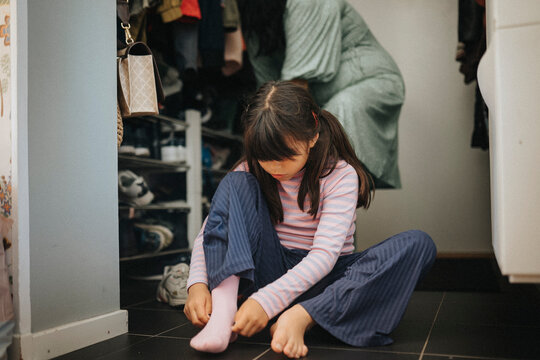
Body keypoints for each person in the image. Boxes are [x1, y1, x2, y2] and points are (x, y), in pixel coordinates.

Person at [184, 81, 436, 358]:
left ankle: (301, 317)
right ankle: (224, 311)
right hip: (268, 271)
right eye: (264, 157)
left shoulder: (340, 175)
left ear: (312, 137)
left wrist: (266, 303)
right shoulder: (250, 170)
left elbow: (325, 257)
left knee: (418, 243)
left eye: (286, 156)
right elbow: (212, 230)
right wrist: (197, 284)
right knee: (235, 181)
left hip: (324, 281)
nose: (275, 167)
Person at [237, 0, 405, 189]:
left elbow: (292, 93)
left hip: (368, 82)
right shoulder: (254, 18)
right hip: (319, 100)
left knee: (326, 143)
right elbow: (269, 95)